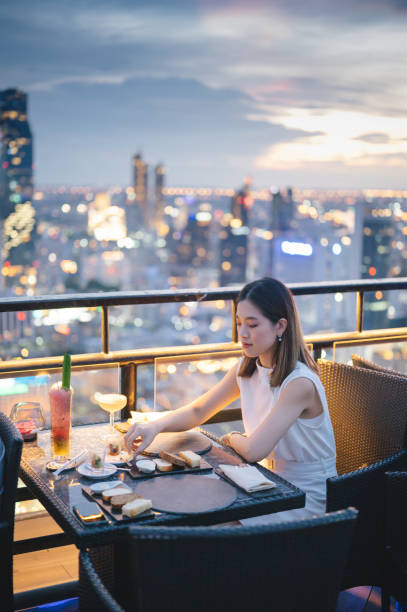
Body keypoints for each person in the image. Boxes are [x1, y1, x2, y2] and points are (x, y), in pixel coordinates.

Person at [124, 277, 337, 523]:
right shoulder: (247, 368)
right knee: (194, 506)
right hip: (267, 483)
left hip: (304, 499)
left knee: (211, 524)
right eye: (238, 323)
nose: (243, 334)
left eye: (253, 325)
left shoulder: (298, 383)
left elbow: (254, 450)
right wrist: (155, 426)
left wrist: (232, 438)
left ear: (280, 326)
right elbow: (199, 410)